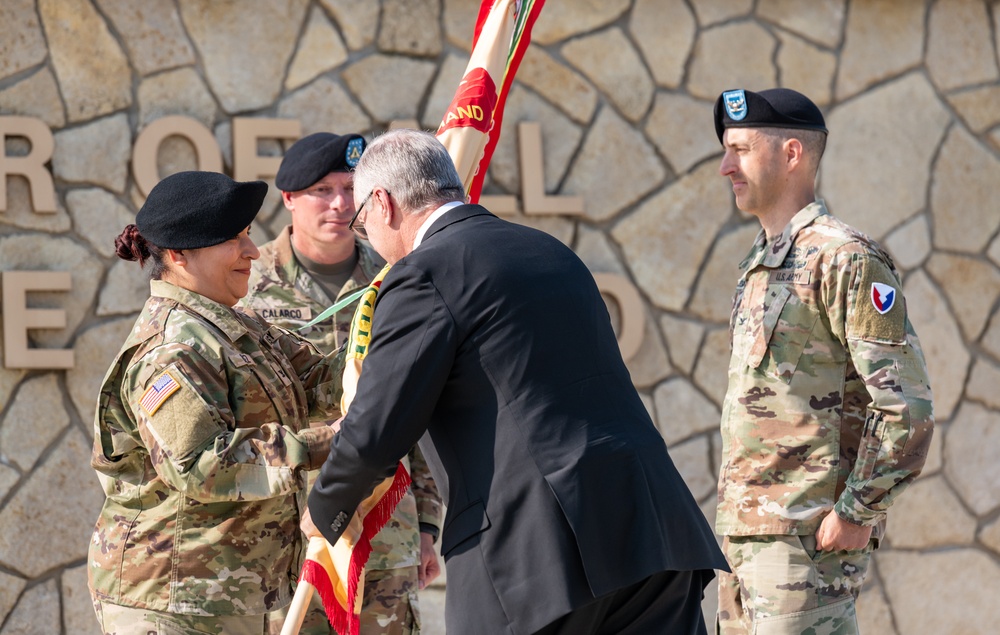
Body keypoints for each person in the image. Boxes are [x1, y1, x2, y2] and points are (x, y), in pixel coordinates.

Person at [304, 129, 728, 635]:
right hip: (652, 528)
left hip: (540, 553)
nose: (368, 237)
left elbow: (378, 425)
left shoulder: (423, 274)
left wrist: (326, 506)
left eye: (362, 221)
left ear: (383, 203)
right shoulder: (550, 251)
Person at [712, 88, 935, 634]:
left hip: (807, 546)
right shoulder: (759, 263)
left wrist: (857, 511)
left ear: (791, 154)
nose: (725, 167)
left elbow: (906, 408)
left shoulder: (846, 258)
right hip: (746, 542)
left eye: (740, 149)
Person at [89, 171, 343, 635]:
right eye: (233, 238)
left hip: (226, 594)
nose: (251, 251)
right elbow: (200, 464)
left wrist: (398, 325)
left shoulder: (236, 328)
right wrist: (331, 444)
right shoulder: (173, 347)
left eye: (247, 234)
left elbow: (324, 382)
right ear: (178, 254)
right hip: (172, 602)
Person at [240, 132, 442, 635]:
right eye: (321, 191)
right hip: (289, 528)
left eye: (351, 189)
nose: (339, 204)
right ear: (288, 198)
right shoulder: (245, 280)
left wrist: (428, 523)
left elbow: (419, 400)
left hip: (383, 523)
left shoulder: (398, 276)